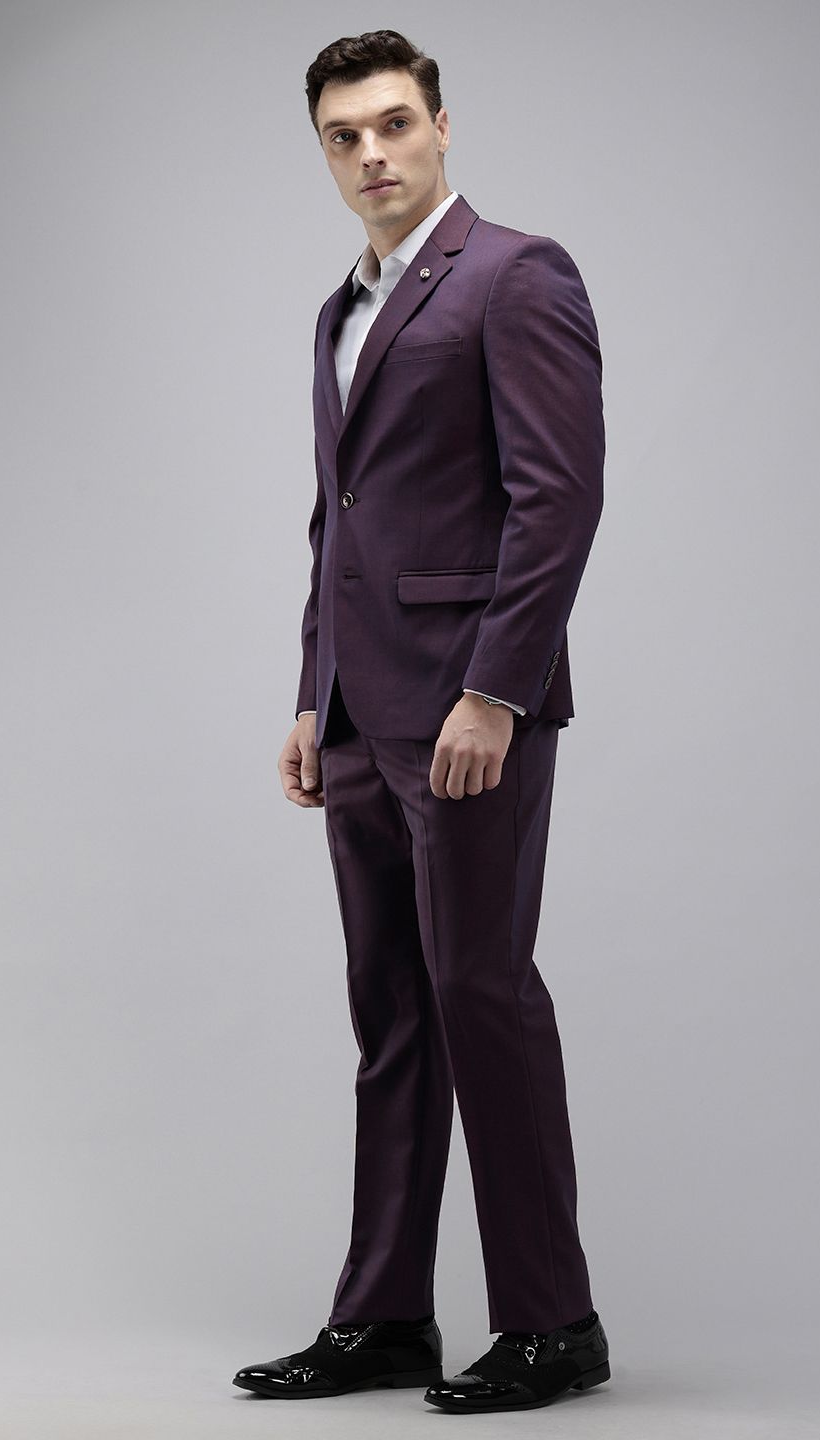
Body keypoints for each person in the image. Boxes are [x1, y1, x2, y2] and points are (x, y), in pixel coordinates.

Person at [232, 28, 610, 1415]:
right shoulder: (339, 311)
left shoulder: (516, 275)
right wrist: (309, 692)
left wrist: (496, 691)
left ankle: (554, 1323)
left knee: (479, 994)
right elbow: (338, 525)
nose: (371, 154)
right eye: (343, 136)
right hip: (359, 714)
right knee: (391, 1013)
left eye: (393, 123)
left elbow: (558, 499)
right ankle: (385, 1314)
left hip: (467, 711)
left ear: (442, 126)